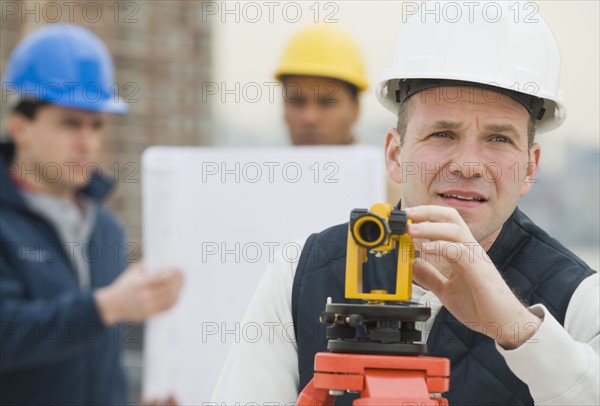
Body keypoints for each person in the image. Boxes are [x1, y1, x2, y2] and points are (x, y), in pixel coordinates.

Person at [212, 2, 599, 404]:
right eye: (443, 133)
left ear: (530, 167)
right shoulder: (298, 276)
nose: (468, 165)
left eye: (499, 138)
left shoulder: (582, 302)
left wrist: (519, 331)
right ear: (395, 154)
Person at [0, 24, 184, 405]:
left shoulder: (106, 229)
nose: (87, 141)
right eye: (70, 123)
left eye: (96, 124)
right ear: (20, 128)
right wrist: (106, 306)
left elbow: (102, 363)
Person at [274, 24, 368, 146]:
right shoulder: (268, 164)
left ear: (355, 110)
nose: (310, 118)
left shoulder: (382, 165)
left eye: (327, 102)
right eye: (297, 102)